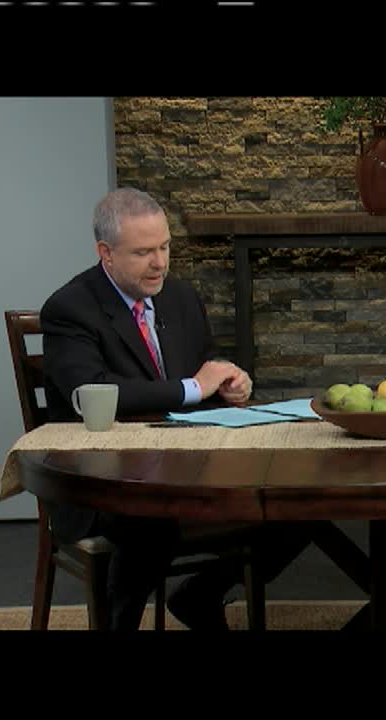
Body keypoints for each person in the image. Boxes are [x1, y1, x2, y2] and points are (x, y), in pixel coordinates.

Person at [40, 187, 311, 631]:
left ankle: (202, 595)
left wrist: (227, 384)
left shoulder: (181, 298)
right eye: (143, 252)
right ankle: (119, 622)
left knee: (299, 502)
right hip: (101, 481)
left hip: (185, 465)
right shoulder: (70, 309)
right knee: (151, 513)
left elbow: (201, 374)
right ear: (105, 253)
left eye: (165, 247)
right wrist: (191, 387)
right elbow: (93, 390)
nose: (160, 263)